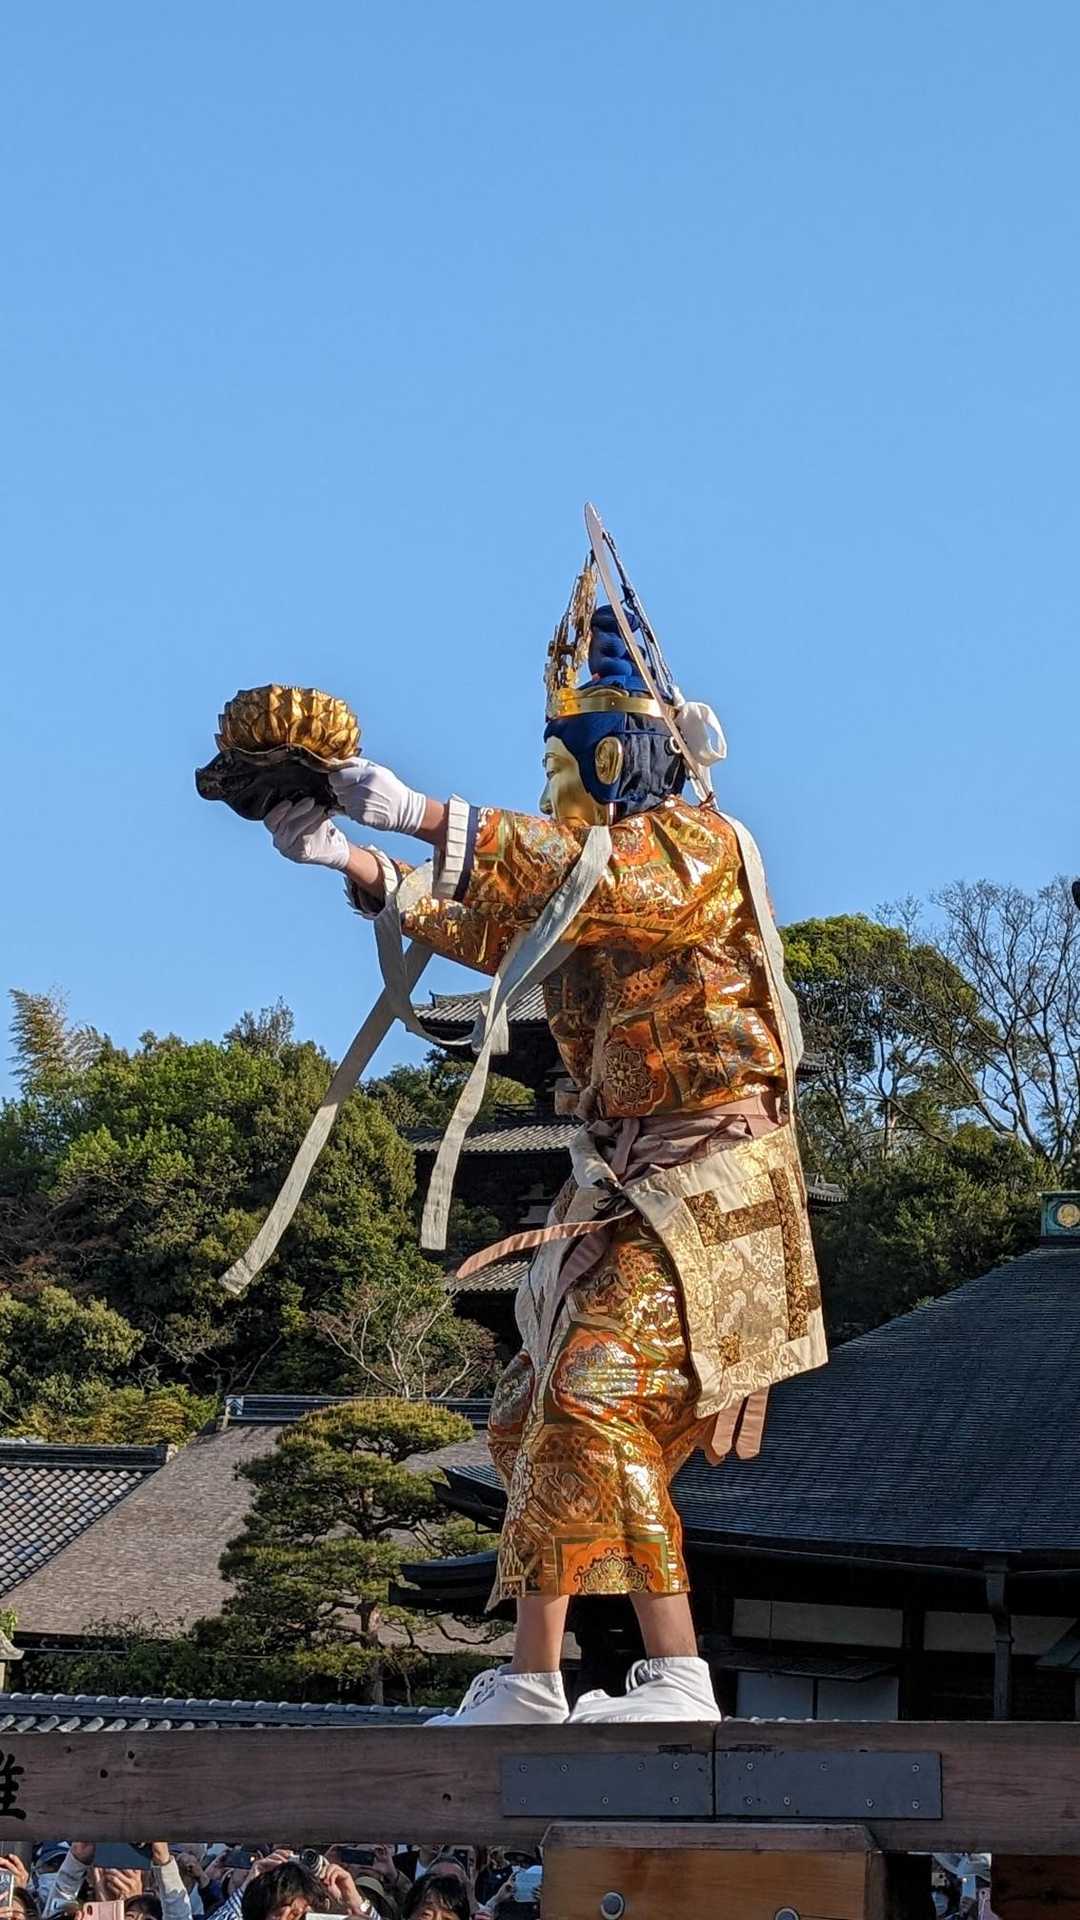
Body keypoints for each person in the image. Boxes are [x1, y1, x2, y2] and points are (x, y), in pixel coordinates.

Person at [263, 513, 827, 1724]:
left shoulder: (696, 851)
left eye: (562, 770)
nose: (550, 791)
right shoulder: (596, 876)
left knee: (592, 1393)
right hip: (629, 1189)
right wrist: (350, 861)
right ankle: (533, 1676)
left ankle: (676, 1673)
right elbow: (517, 923)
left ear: (614, 758)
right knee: (529, 1416)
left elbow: (582, 879)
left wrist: (426, 815)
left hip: (714, 1189)